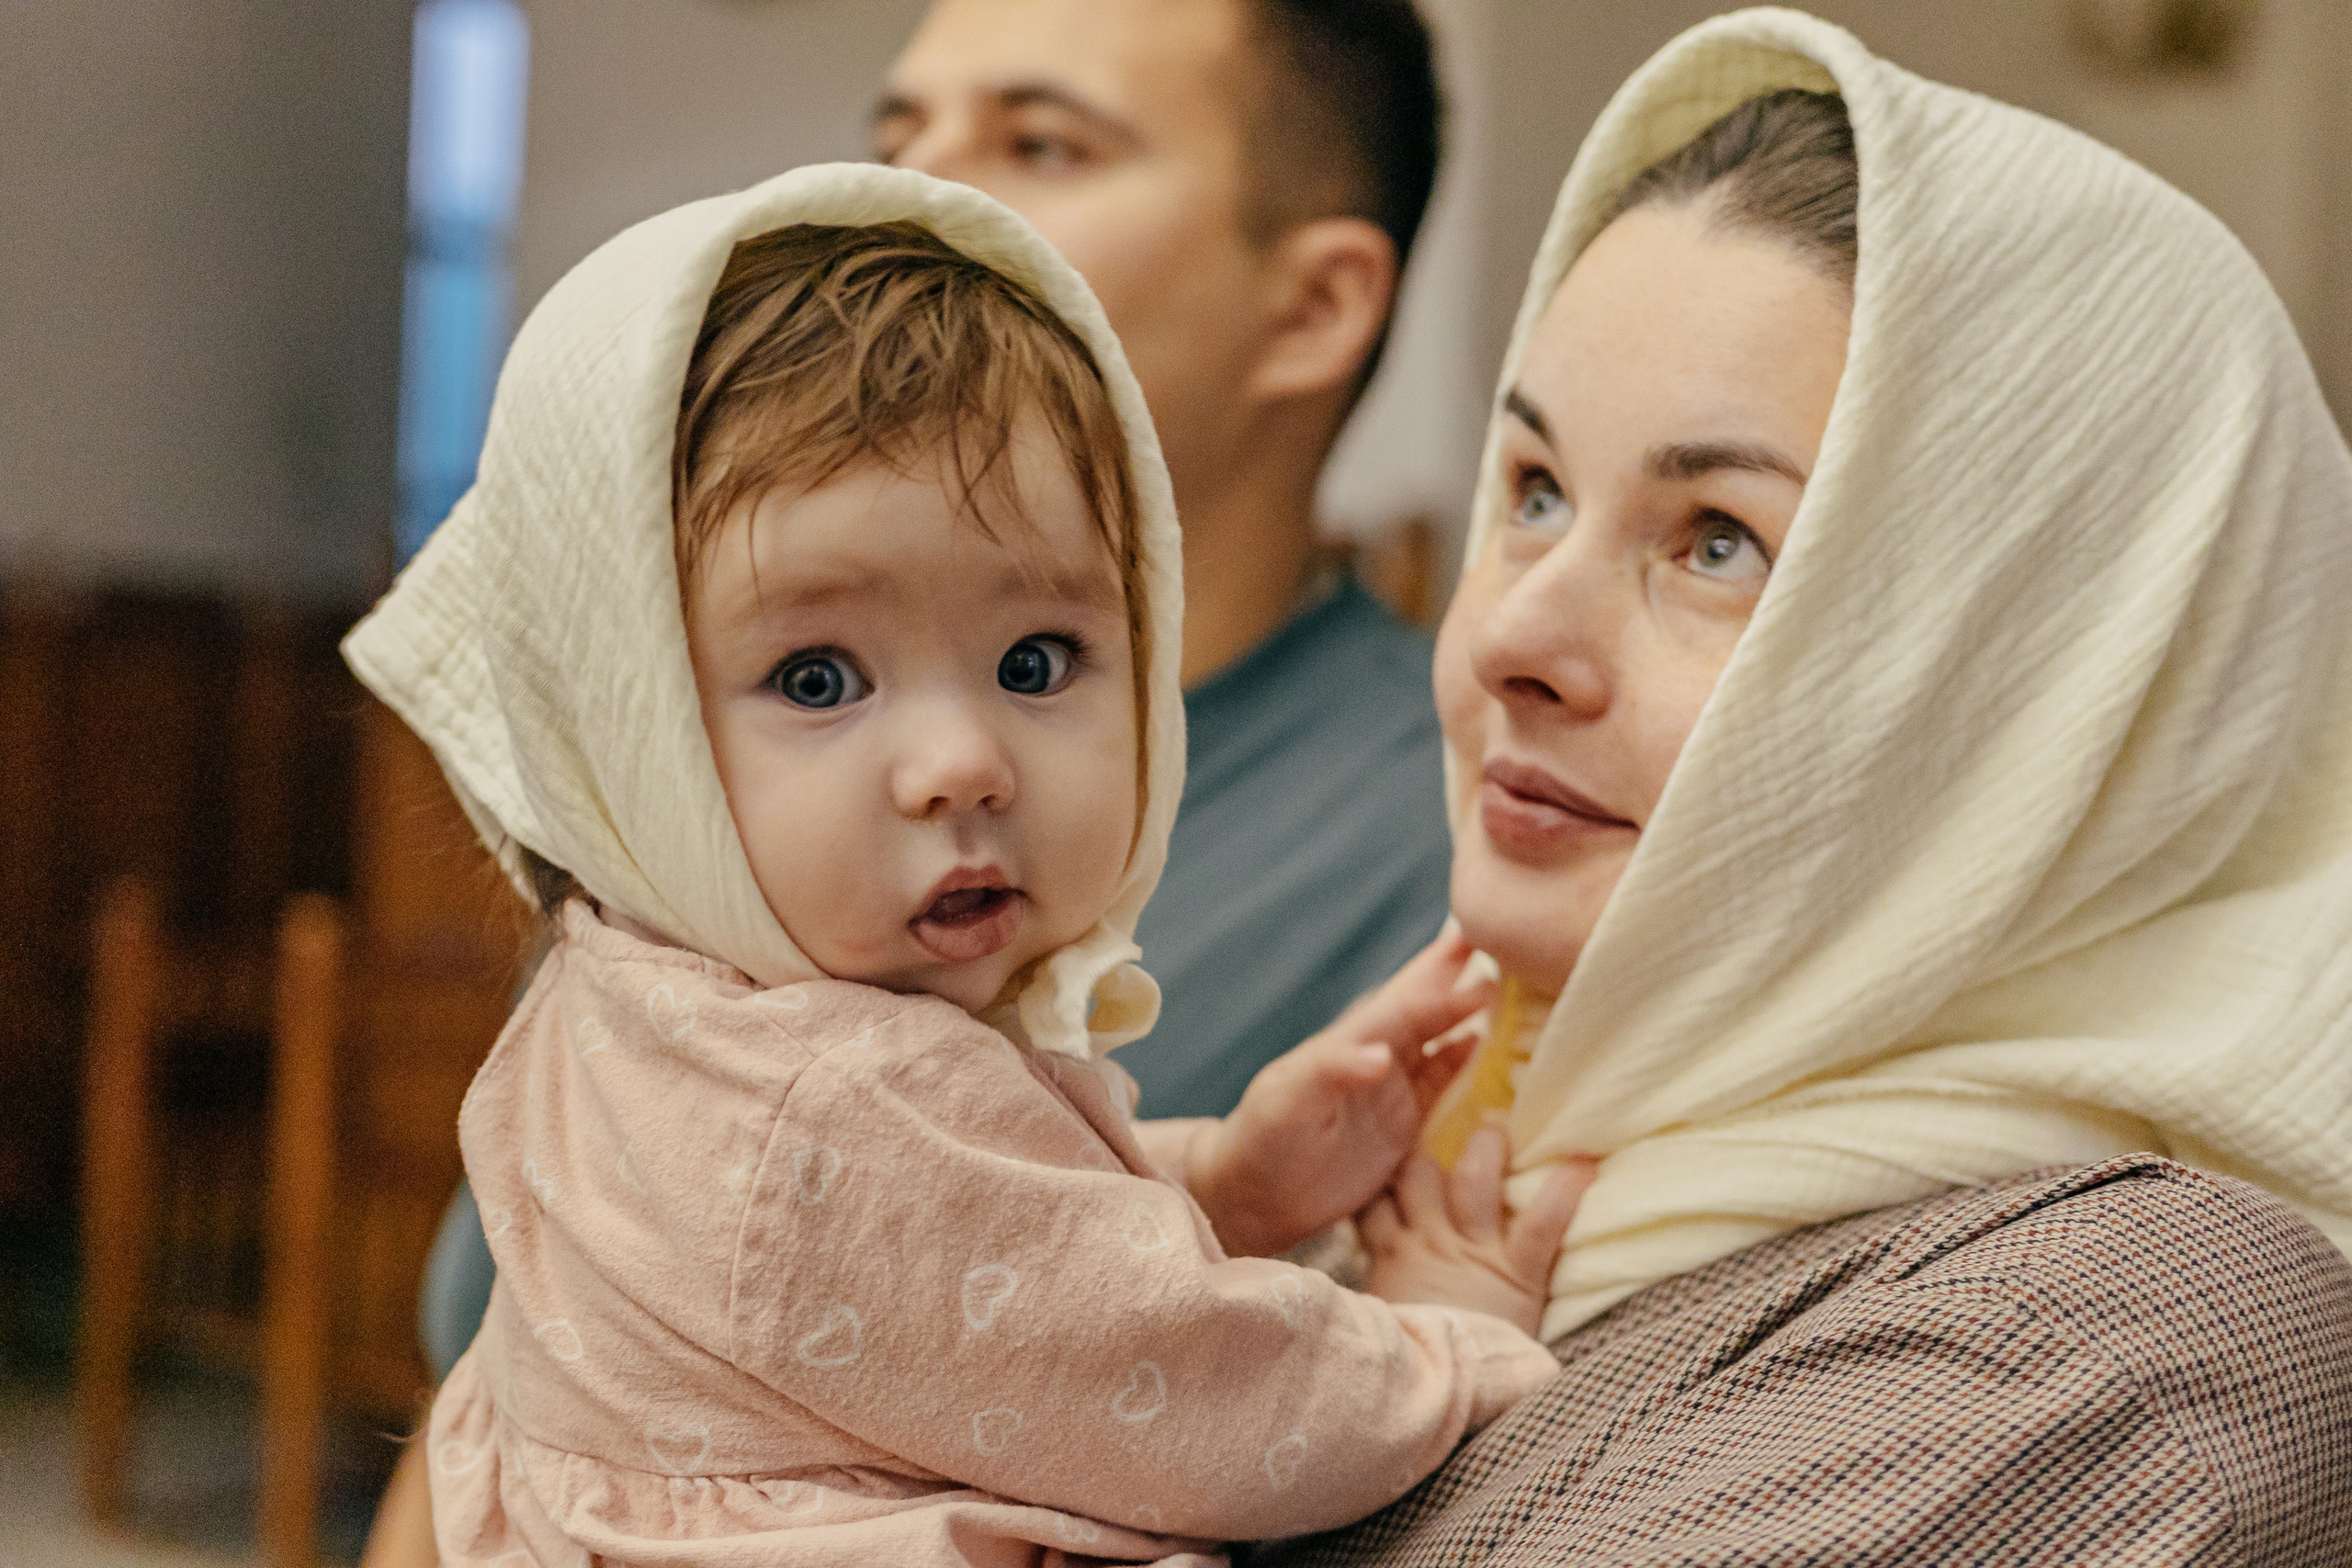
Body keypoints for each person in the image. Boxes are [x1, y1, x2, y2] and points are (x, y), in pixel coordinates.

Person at [346, 166, 1586, 1566]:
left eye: (1036, 662)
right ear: (629, 731)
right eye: (818, 679)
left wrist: (1224, 1183)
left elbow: (976, 1251)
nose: (963, 762)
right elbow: (1195, 1397)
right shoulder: (827, 1098)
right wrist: (1453, 1339)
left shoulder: (647, 1003)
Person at [1257, 9, 2352, 1559]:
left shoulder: (2109, 1346)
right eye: (1537, 490)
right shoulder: (1452, 1141)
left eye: (1717, 541)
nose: (1510, 634)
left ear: (2044, 696)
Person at [407, 0, 1454, 1404]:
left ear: (1314, 304)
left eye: (1041, 140)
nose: (915, 196)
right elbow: (502, 1369)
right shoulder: (722, 794)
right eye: (898, 135)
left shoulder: (1439, 850)